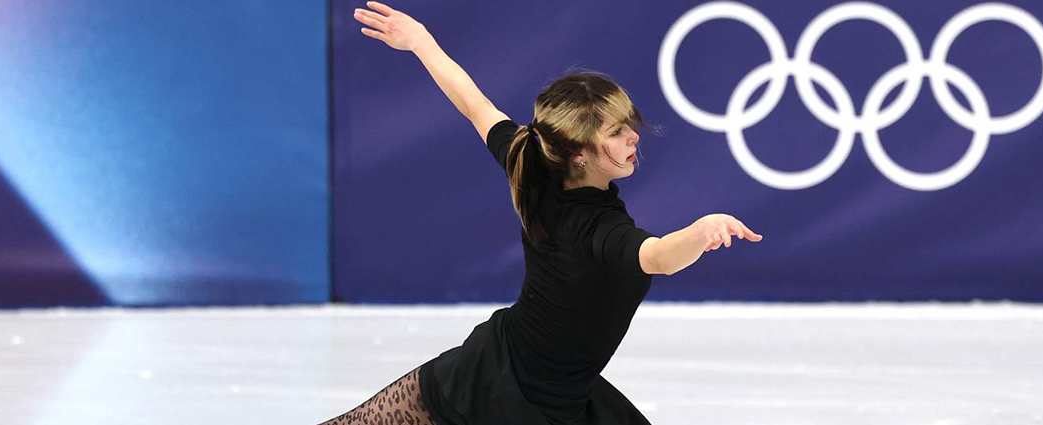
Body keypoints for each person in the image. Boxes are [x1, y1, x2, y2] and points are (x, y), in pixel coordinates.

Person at [323, 2, 764, 424]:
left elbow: (476, 106)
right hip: (500, 389)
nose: (633, 136)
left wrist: (422, 42)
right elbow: (660, 257)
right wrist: (703, 230)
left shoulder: (529, 163)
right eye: (616, 131)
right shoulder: (593, 226)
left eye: (628, 123)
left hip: (549, 386)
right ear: (577, 154)